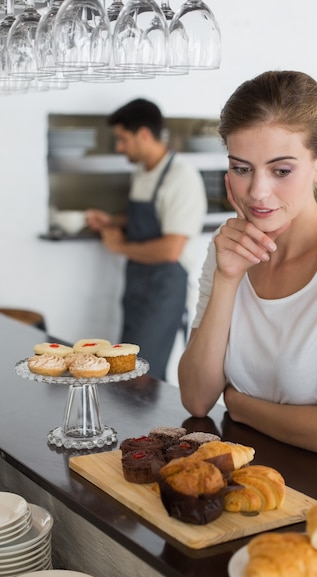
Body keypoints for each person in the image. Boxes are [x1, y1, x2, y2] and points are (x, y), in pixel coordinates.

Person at [178, 70, 317, 471]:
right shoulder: (229, 247)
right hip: (250, 487)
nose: (256, 192)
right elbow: (197, 398)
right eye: (241, 168)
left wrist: (239, 405)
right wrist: (229, 279)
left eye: (281, 171)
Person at [87, 99, 207, 381]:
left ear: (143, 134)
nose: (118, 147)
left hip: (163, 293)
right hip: (137, 287)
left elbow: (171, 249)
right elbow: (146, 217)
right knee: (124, 368)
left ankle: (157, 428)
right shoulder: (142, 171)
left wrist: (118, 246)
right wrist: (112, 220)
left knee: (145, 377)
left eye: (122, 139)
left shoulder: (181, 178)